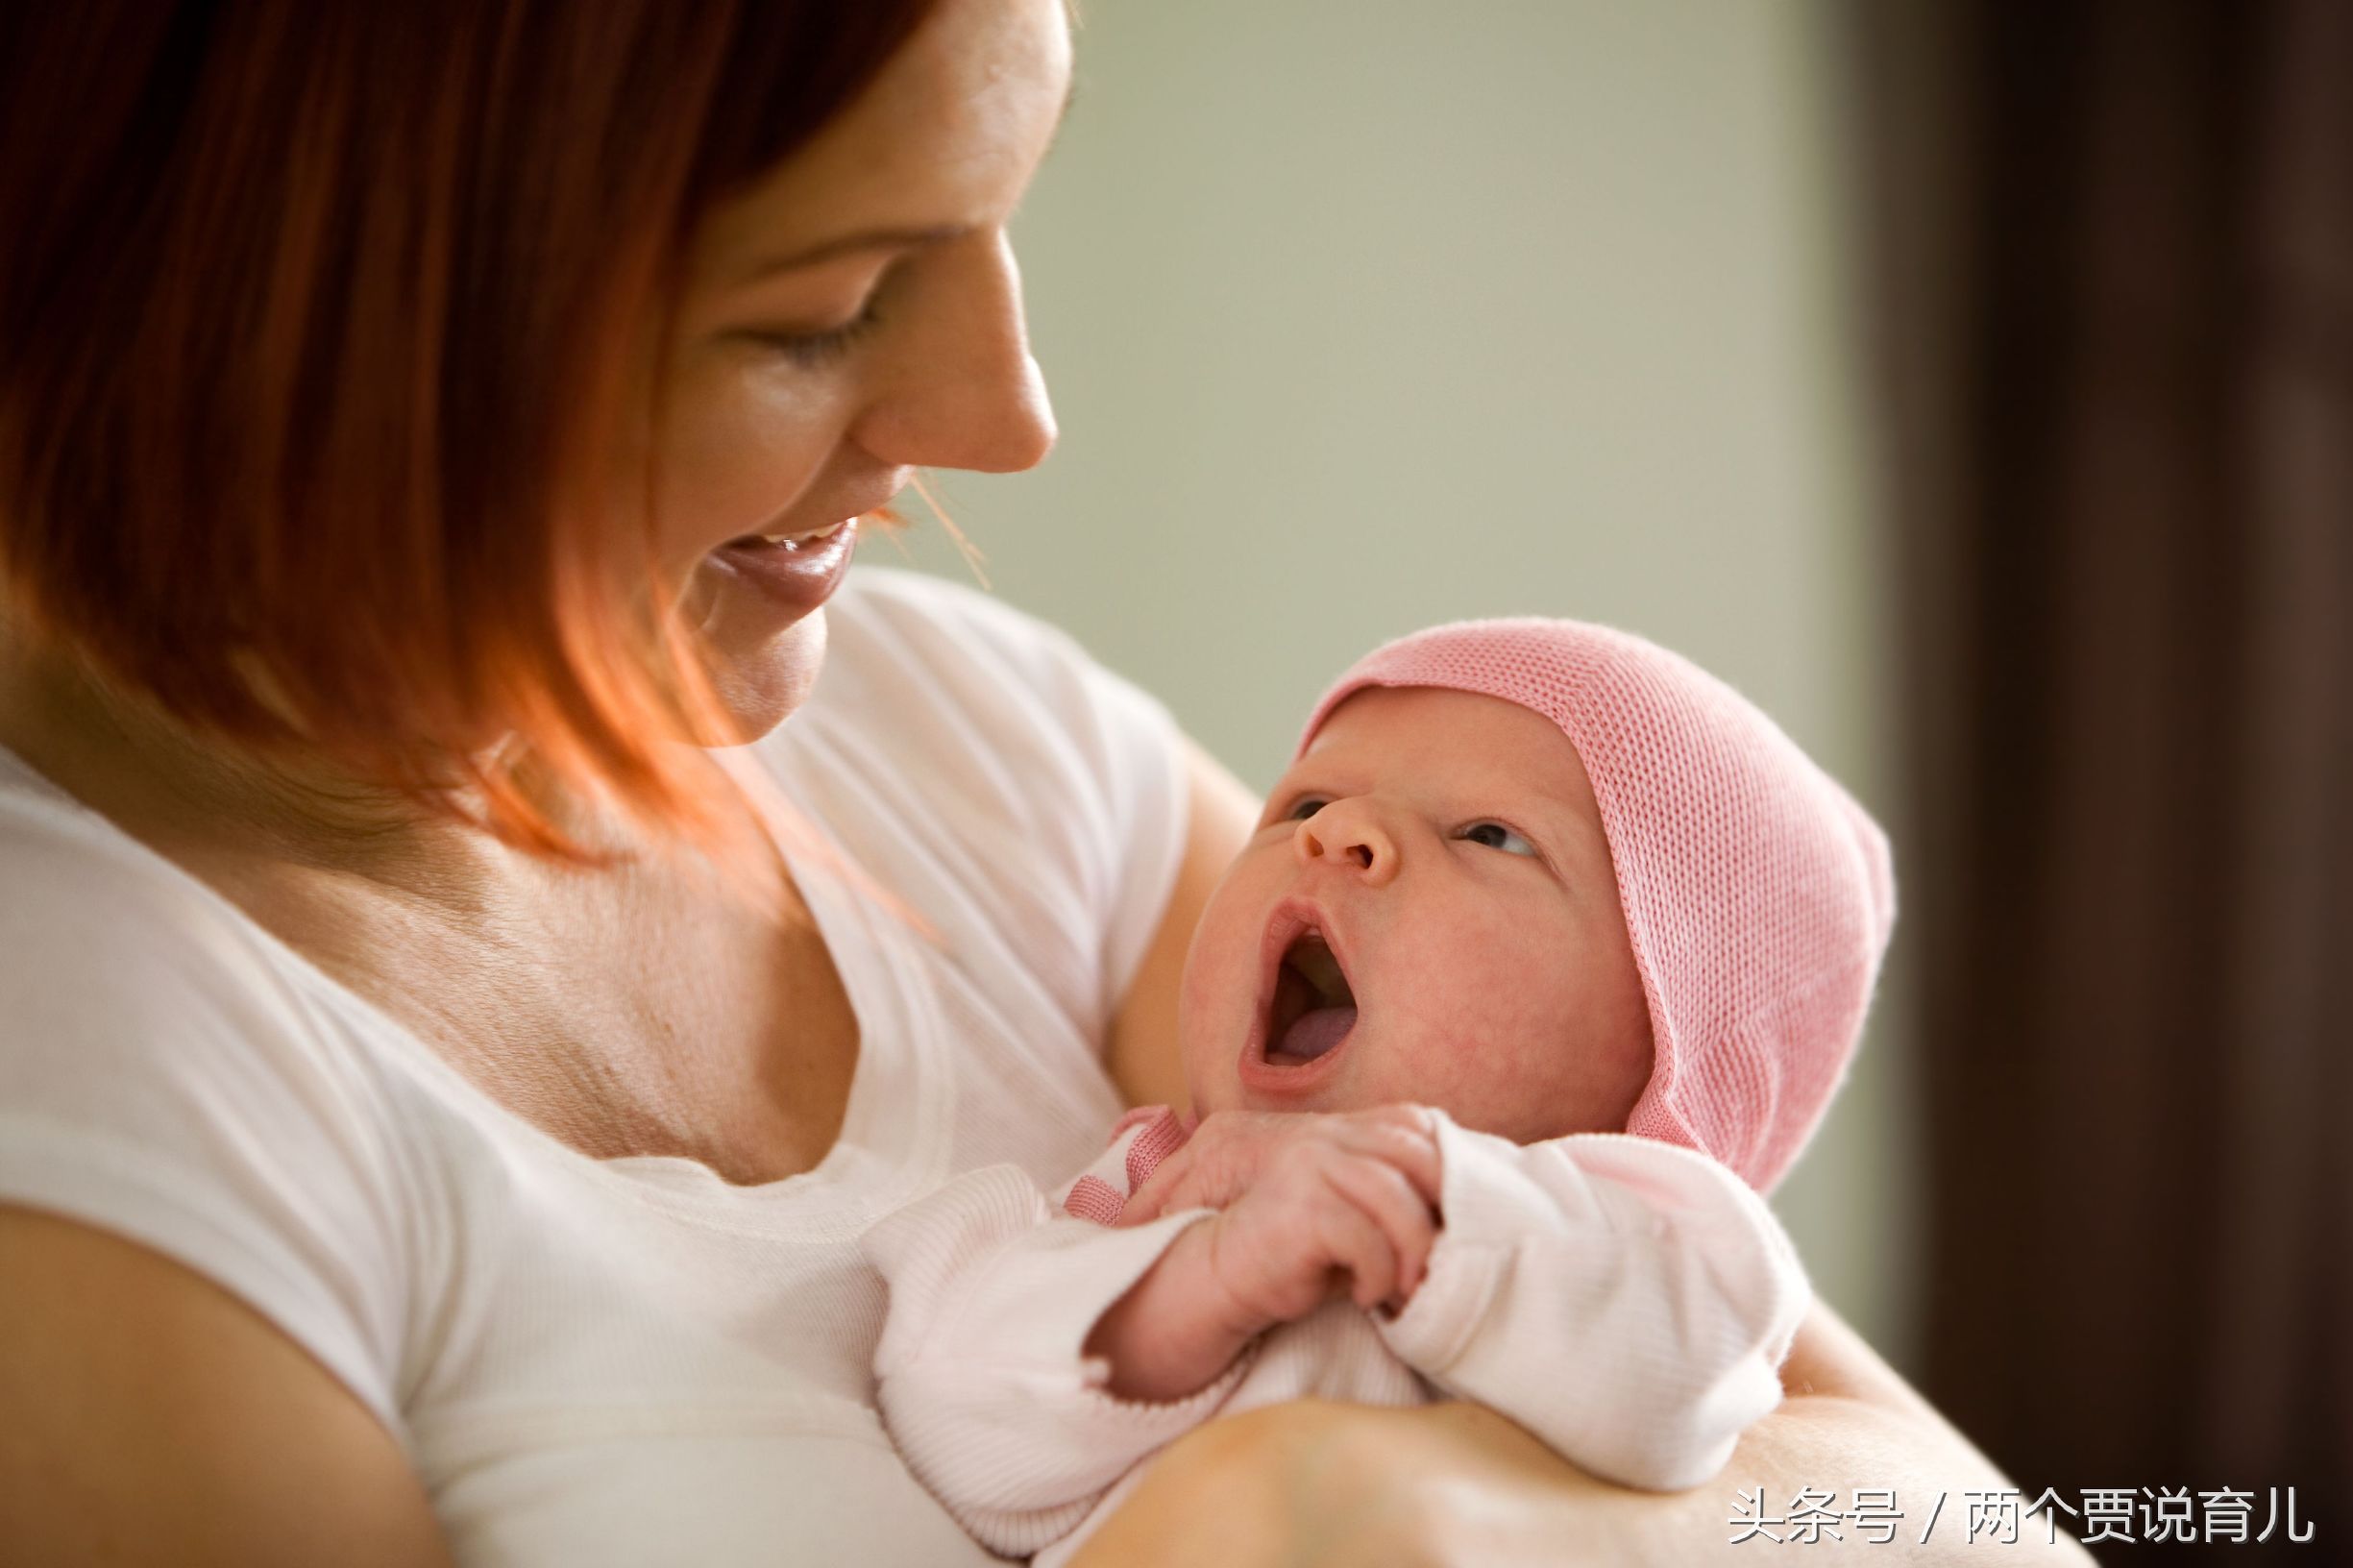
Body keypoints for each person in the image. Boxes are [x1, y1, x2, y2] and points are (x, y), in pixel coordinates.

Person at [0, 2, 2090, 1563]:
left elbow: (1969, 1533)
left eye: (1000, 222)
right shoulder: (92, 1082)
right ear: (288, 317)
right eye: (822, 310)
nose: (1007, 419)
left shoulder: (976, 752)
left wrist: (1340, 1501)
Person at [865, 617, 1891, 1565]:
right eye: (1304, 804)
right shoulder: (1142, 1203)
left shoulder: (1662, 1242)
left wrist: (1426, 1206)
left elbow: (1680, 1380)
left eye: (1489, 835)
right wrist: (1187, 1291)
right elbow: (954, 1424)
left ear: (1667, 1050)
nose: (1338, 829)